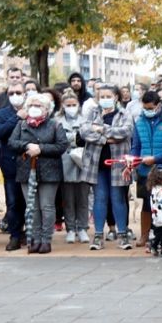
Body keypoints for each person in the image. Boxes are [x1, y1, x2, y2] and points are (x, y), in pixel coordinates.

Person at [8, 92, 69, 254]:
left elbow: (62, 146)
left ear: (47, 109)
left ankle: (46, 239)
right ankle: (34, 239)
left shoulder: (55, 125)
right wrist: (27, 146)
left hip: (49, 171)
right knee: (32, 207)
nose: (34, 109)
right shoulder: (21, 125)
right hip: (26, 170)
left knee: (47, 206)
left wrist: (40, 149)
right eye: (32, 106)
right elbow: (12, 143)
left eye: (38, 106)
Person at [82, 85, 135, 250]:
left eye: (108, 95)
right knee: (100, 198)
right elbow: (84, 132)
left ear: (116, 97)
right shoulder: (92, 112)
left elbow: (124, 132)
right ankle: (98, 236)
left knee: (118, 198)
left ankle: (122, 235)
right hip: (97, 164)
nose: (104, 98)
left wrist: (101, 129)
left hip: (118, 164)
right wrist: (105, 139)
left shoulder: (124, 113)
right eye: (101, 96)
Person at [129, 90, 162, 255]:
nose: (147, 110)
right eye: (144, 107)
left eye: (150, 107)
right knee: (147, 204)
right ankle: (146, 235)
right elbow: (135, 145)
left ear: (158, 105)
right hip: (145, 171)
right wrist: (133, 160)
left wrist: (156, 158)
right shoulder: (139, 121)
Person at [0, 80, 28, 250]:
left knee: (30, 201)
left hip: (30, 163)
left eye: (18, 93)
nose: (15, 96)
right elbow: (1, 132)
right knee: (13, 202)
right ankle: (15, 235)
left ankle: (30, 233)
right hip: (10, 164)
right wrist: (16, 117)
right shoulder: (2, 114)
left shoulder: (33, 110)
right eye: (12, 93)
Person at [55, 90, 93, 245]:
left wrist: (73, 139)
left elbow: (89, 137)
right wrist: (74, 138)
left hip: (82, 161)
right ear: (63, 106)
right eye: (68, 105)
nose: (71, 107)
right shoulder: (57, 121)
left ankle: (83, 227)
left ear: (79, 105)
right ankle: (70, 228)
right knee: (68, 199)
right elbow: (58, 140)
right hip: (65, 162)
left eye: (74, 105)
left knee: (83, 197)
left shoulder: (86, 120)